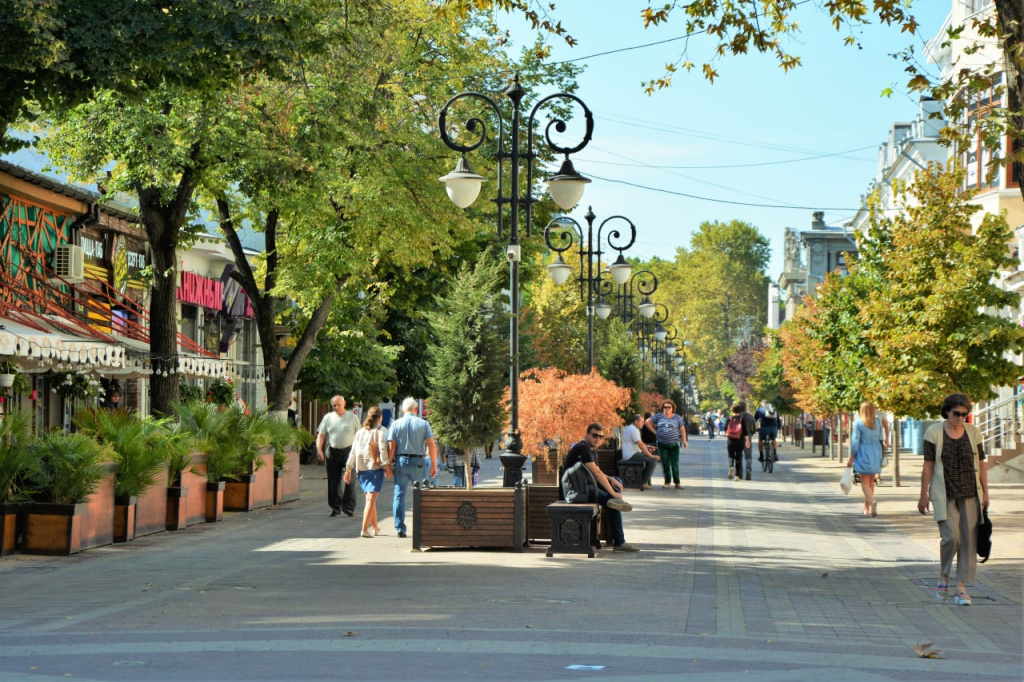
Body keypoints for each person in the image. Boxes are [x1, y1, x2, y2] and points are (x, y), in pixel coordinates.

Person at [918, 393, 989, 607]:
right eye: (956, 413)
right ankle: (944, 576)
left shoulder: (973, 432)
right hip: (945, 493)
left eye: (964, 414)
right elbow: (928, 465)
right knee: (951, 537)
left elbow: (982, 463)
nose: (960, 418)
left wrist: (986, 493)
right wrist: (923, 494)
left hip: (970, 493)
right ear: (947, 411)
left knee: (968, 540)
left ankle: (961, 587)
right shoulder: (933, 432)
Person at [563, 422, 638, 552]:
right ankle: (619, 542)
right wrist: (613, 493)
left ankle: (617, 502)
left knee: (616, 481)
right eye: (595, 435)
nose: (598, 439)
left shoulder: (592, 449)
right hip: (577, 491)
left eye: (601, 437)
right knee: (612, 501)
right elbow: (597, 474)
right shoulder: (583, 448)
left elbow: (597, 471)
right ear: (587, 435)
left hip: (586, 485)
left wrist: (611, 480)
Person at [387, 397, 438, 538]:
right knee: (421, 494)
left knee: (399, 495)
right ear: (416, 409)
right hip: (418, 462)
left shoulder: (395, 424)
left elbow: (392, 446)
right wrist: (434, 465)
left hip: (401, 461)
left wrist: (388, 465)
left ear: (403, 410)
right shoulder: (423, 423)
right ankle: (422, 526)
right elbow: (431, 445)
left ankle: (400, 528)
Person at [343, 406, 389, 537]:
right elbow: (382, 449)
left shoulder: (360, 432)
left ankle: (375, 527)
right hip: (375, 467)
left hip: (361, 468)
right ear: (380, 418)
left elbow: (353, 451)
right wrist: (387, 466)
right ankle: (364, 529)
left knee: (370, 499)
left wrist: (348, 469)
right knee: (371, 499)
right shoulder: (381, 430)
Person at [316, 395, 361, 518]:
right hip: (332, 452)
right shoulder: (328, 418)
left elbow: (359, 436)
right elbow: (321, 435)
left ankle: (349, 507)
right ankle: (335, 508)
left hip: (349, 452)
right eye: (334, 405)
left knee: (350, 480)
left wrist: (359, 452)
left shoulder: (352, 418)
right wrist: (319, 450)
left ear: (344, 404)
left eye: (338, 405)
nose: (336, 407)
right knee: (333, 481)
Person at [845, 401, 889, 516]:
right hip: (876, 451)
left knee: (864, 482)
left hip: (863, 451)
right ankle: (867, 508)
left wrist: (851, 458)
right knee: (871, 481)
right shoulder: (877, 422)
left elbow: (855, 442)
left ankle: (871, 501)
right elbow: (880, 436)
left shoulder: (858, 423)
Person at [646, 400, 688, 489]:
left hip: (674, 444)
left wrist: (684, 441)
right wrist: (655, 432)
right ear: (663, 408)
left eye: (669, 407)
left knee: (675, 464)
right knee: (665, 463)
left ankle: (677, 482)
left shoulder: (677, 417)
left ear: (672, 408)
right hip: (662, 444)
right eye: (665, 407)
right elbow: (647, 422)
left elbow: (682, 429)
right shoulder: (659, 416)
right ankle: (667, 482)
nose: (667, 409)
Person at [619, 414, 660, 489]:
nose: (643, 423)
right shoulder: (633, 430)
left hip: (634, 453)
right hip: (631, 455)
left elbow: (639, 443)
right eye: (641, 421)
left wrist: (648, 446)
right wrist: (651, 455)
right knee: (652, 460)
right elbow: (640, 444)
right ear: (636, 421)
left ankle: (644, 481)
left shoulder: (634, 429)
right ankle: (643, 482)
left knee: (650, 458)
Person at [725, 403, 752, 481]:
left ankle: (731, 467)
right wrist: (747, 441)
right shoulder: (742, 419)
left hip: (730, 440)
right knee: (739, 457)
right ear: (740, 411)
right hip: (740, 440)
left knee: (731, 456)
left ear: (732, 410)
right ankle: (737, 476)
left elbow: (725, 429)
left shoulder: (729, 419)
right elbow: (746, 432)